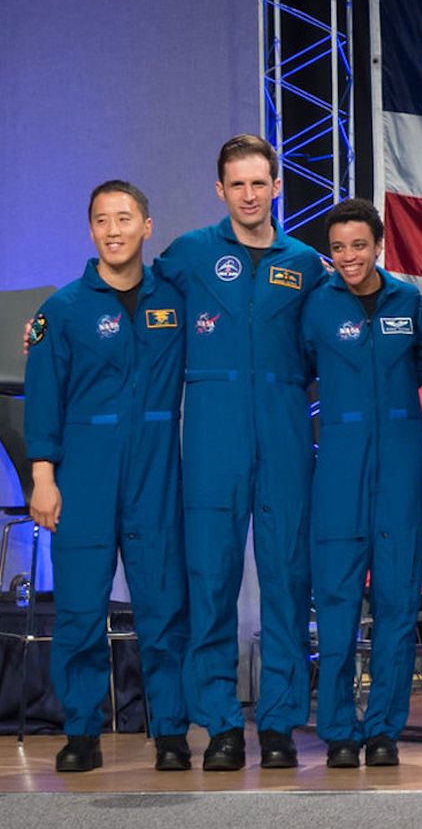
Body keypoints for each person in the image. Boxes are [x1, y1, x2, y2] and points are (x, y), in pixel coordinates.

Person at [152, 135, 325, 770]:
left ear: (277, 187)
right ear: (219, 190)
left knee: (287, 580)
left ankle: (279, 724)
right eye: (238, 184)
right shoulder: (191, 255)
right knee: (211, 579)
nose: (250, 195)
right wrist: (48, 328)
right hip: (212, 435)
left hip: (282, 432)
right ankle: (221, 724)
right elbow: (131, 295)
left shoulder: (306, 263)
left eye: (261, 183)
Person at [25, 181, 191, 772]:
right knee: (78, 608)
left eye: (125, 218)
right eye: (102, 220)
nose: (114, 230)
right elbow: (42, 401)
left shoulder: (178, 299)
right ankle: (81, 732)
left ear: (148, 227)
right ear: (91, 230)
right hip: (85, 471)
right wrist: (43, 478)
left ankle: (171, 731)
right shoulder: (62, 310)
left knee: (164, 604)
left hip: (155, 470)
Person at [299, 198, 422, 769]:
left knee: (399, 602)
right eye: (338, 247)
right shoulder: (314, 308)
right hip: (338, 467)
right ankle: (337, 729)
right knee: (335, 602)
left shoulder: (411, 302)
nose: (349, 257)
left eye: (359, 245)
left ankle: (383, 728)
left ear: (378, 245)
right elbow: (297, 370)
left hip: (401, 464)